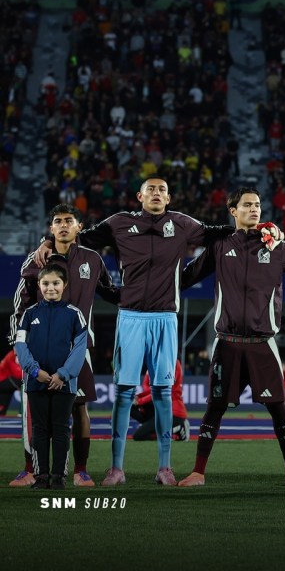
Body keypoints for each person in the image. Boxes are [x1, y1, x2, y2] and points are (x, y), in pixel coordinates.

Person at [32, 176, 237, 487]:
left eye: (163, 189)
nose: (156, 193)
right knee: (125, 392)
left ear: (169, 198)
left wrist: (259, 229)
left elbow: (217, 233)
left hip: (166, 317)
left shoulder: (182, 224)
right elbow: (79, 236)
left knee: (163, 393)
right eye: (151, 189)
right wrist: (48, 241)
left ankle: (165, 468)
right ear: (139, 196)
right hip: (129, 317)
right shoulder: (118, 223)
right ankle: (116, 468)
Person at [177, 187, 285, 488]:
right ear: (233, 211)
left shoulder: (275, 247)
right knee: (214, 407)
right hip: (227, 342)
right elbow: (186, 277)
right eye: (247, 205)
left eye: (257, 205)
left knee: (279, 409)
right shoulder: (219, 246)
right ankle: (198, 472)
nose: (254, 210)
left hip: (263, 344)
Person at [10, 202, 119, 487]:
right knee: (34, 410)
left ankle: (80, 470)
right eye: (57, 220)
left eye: (69, 220)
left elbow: (110, 291)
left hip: (78, 349)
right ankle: (30, 469)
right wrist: (17, 341)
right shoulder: (36, 259)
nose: (63, 225)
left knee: (79, 408)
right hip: (39, 348)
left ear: (79, 227)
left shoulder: (93, 259)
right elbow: (20, 303)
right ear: (51, 228)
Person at [13, 262, 88, 490]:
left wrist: (63, 374)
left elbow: (80, 348)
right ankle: (41, 476)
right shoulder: (29, 314)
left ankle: (58, 477)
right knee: (40, 430)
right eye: (45, 283)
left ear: (64, 285)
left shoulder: (74, 314)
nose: (50, 288)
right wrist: (35, 371)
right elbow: (20, 345)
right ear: (39, 285)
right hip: (36, 381)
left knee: (61, 429)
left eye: (56, 283)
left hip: (63, 384)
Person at [132, 362, 189, 442]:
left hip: (173, 412)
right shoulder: (157, 362)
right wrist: (138, 397)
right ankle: (155, 428)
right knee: (131, 407)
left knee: (139, 436)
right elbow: (149, 386)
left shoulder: (172, 363)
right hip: (161, 408)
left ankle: (178, 427)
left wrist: (140, 401)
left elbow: (163, 391)